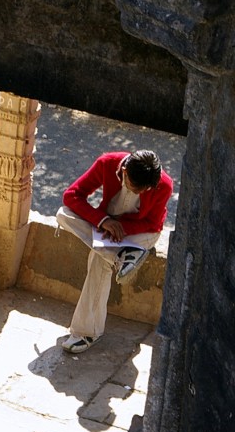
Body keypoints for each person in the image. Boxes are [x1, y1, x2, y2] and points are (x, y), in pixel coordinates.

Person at [55, 149, 173, 354]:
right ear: (124, 171)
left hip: (140, 234)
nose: (139, 193)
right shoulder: (107, 163)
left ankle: (87, 332)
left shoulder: (164, 184)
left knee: (100, 259)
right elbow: (72, 195)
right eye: (135, 188)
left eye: (144, 190)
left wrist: (121, 229)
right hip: (106, 226)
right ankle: (121, 257)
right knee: (63, 214)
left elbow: (153, 223)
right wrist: (103, 221)